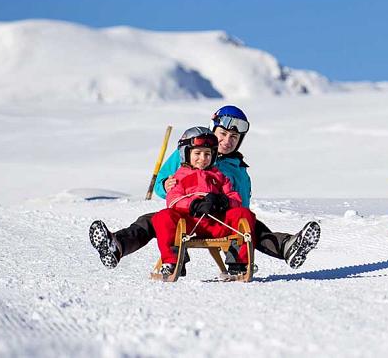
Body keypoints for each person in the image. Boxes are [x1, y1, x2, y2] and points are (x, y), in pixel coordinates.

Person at [89, 106, 320, 272]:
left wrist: (228, 206)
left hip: (222, 219)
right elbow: (164, 183)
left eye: (234, 137)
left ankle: (289, 247)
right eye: (223, 134)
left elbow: (241, 204)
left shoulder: (238, 168)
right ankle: (116, 245)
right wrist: (166, 185)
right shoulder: (192, 148)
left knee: (254, 226)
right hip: (186, 214)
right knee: (150, 220)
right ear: (213, 130)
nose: (227, 141)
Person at [151, 126, 255, 276]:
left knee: (244, 213)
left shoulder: (219, 176)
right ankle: (172, 262)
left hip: (217, 223)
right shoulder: (179, 177)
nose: (203, 158)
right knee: (163, 217)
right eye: (197, 153)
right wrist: (193, 204)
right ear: (186, 154)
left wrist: (223, 201)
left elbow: (235, 198)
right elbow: (173, 200)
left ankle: (239, 263)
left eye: (207, 154)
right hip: (188, 225)